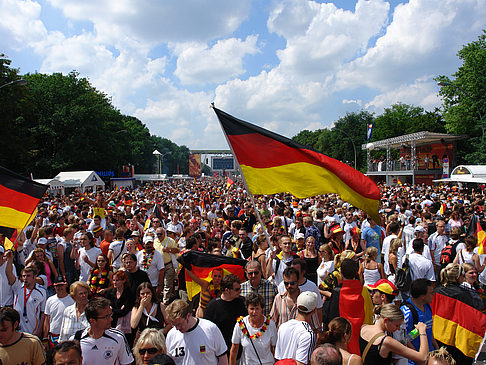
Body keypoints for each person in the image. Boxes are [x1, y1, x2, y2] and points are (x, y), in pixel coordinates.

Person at [325, 258, 373, 355]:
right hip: (361, 337)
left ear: (341, 272)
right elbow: (369, 314)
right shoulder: (364, 291)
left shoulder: (337, 291)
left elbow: (332, 317)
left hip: (343, 338)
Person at [359, 304, 429, 364]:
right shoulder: (386, 341)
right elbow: (423, 358)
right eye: (397, 325)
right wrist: (422, 332)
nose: (398, 329)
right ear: (386, 320)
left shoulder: (364, 328)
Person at [165, 299, 228, 365]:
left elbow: (222, 357)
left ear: (188, 316)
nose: (177, 328)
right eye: (174, 325)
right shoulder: (171, 335)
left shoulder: (210, 329)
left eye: (179, 324)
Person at [74, 297, 134, 365]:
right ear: (92, 321)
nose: (111, 319)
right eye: (106, 317)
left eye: (110, 315)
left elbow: (127, 363)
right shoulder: (77, 338)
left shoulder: (118, 337)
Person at [204, 274, 248, 356]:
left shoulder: (242, 302)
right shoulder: (212, 306)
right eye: (237, 289)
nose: (240, 291)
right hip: (221, 353)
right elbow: (207, 332)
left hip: (240, 352)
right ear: (227, 290)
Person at [229, 293, 277, 365]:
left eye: (257, 309)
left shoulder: (270, 324)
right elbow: (234, 350)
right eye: (251, 309)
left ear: (262, 309)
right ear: (247, 309)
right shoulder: (241, 324)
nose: (254, 312)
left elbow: (274, 349)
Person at [274, 291, 318, 365]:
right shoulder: (308, 334)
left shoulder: (283, 326)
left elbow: (277, 358)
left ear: (296, 306)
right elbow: (302, 363)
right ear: (314, 311)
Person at [400, 279, 437, 364]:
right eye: (431, 293)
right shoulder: (407, 313)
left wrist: (437, 349)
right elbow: (404, 339)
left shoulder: (427, 306)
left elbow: (430, 332)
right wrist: (419, 357)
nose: (433, 295)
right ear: (423, 296)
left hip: (429, 358)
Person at [6, 261, 47, 337]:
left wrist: (40, 330)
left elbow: (43, 313)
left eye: (28, 276)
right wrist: (10, 259)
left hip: (33, 330)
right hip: (18, 330)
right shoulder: (17, 287)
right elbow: (8, 272)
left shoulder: (41, 291)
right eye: (24, 276)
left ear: (34, 277)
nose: (25, 278)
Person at [44, 276, 74, 347]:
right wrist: (45, 338)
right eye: (57, 286)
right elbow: (47, 319)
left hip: (68, 335)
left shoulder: (73, 300)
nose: (59, 287)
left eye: (61, 285)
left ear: (66, 285)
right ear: (54, 286)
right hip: (53, 334)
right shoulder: (50, 300)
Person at [154, 227, 180, 305]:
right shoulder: (154, 241)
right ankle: (157, 299)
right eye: (157, 234)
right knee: (159, 283)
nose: (159, 235)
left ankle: (165, 302)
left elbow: (177, 250)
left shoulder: (170, 241)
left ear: (164, 233)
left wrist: (169, 250)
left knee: (168, 283)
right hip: (158, 267)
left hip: (168, 265)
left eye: (160, 234)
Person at [105, 270, 135, 336]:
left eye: (117, 280)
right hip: (112, 323)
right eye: (113, 280)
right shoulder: (110, 293)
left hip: (125, 325)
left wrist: (112, 310)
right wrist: (118, 310)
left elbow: (124, 311)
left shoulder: (129, 293)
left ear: (123, 281)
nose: (115, 282)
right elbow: (106, 308)